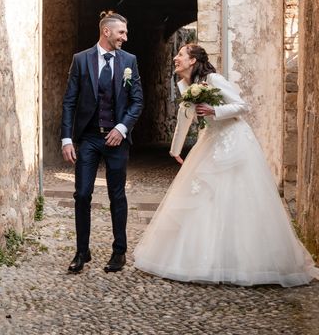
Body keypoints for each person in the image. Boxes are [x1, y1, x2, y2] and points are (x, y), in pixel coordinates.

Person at [133, 43, 319, 286]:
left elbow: (242, 106)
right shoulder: (187, 85)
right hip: (211, 140)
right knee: (203, 195)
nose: (175, 58)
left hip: (234, 142)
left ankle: (242, 260)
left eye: (180, 55)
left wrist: (213, 110)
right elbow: (185, 116)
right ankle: (200, 257)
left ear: (192, 60)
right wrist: (175, 150)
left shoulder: (214, 79)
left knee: (234, 197)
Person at [61, 11, 143, 273]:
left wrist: (122, 127)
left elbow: (137, 101)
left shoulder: (129, 61)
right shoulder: (81, 60)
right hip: (88, 138)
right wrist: (66, 138)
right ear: (106, 32)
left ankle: (119, 252)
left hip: (117, 139)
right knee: (82, 194)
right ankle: (82, 252)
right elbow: (69, 101)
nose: (125, 38)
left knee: (116, 195)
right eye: (121, 33)